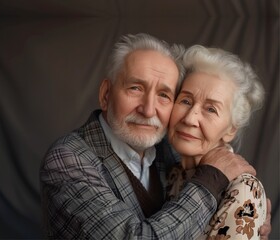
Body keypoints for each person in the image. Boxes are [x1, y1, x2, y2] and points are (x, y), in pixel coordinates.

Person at [40, 33, 269, 239]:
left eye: (164, 95)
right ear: (106, 94)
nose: (148, 110)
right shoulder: (67, 160)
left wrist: (249, 213)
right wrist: (211, 180)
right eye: (136, 88)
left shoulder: (167, 150)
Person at [166, 45, 271, 239]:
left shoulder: (243, 189)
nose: (190, 119)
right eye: (186, 101)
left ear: (231, 129)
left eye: (211, 109)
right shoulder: (171, 173)